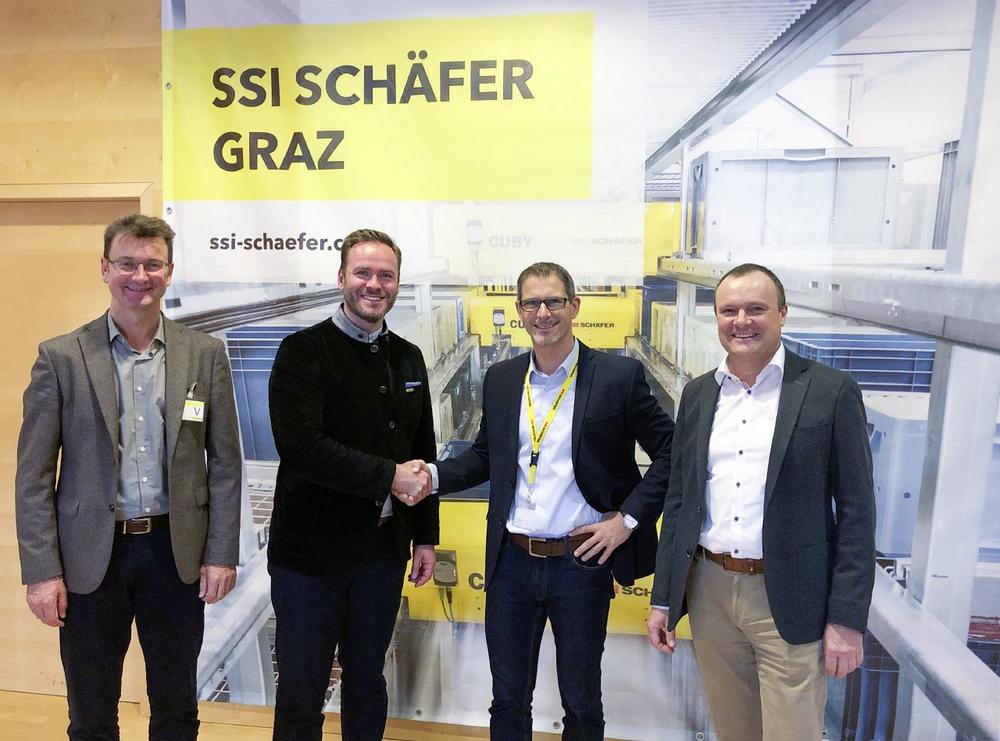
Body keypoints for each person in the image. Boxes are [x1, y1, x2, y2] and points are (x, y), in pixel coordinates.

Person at [413, 261, 673, 741]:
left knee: (581, 701)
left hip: (581, 563)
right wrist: (430, 475)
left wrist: (627, 521)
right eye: (532, 302)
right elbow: (485, 456)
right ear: (519, 309)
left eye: (554, 301)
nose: (543, 312)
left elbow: (672, 452)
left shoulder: (617, 376)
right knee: (508, 700)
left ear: (575, 306)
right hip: (511, 562)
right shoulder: (502, 378)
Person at [15, 213, 243, 740]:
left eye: (152, 265)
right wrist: (42, 571)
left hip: (175, 553)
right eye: (126, 263)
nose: (140, 276)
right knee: (92, 714)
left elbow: (226, 464)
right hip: (91, 558)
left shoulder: (204, 354)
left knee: (177, 710)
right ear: (104, 268)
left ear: (169, 271)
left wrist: (220, 554)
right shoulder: (62, 357)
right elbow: (33, 478)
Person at [646, 263, 876, 741]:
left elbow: (857, 513)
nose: (742, 321)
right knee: (734, 730)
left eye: (756, 309)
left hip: (789, 595)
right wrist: (664, 598)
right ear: (717, 317)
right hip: (709, 590)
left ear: (782, 313)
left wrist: (847, 619)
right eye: (729, 311)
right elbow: (681, 501)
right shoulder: (698, 394)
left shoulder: (830, 392)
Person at [266, 228, 438, 741]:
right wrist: (387, 475)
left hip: (380, 555)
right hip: (309, 561)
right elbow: (301, 447)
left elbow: (423, 451)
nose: (374, 284)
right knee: (302, 690)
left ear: (398, 283)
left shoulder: (408, 357)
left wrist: (425, 535)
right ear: (342, 277)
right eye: (363, 272)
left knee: (367, 682)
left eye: (386, 275)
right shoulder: (303, 352)